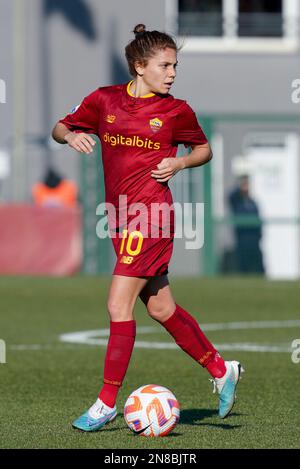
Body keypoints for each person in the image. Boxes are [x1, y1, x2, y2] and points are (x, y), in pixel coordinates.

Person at [52, 24, 244, 432]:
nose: (173, 72)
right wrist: (69, 136)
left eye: (175, 65)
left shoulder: (176, 111)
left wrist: (179, 162)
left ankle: (106, 404)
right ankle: (220, 368)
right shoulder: (103, 100)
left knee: (117, 306)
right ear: (139, 66)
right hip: (119, 219)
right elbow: (59, 127)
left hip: (152, 217)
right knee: (160, 307)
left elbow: (204, 149)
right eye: (165, 65)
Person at [229, 175, 264, 274]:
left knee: (258, 266)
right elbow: (230, 196)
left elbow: (258, 220)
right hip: (242, 238)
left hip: (254, 239)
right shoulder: (237, 202)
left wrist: (260, 235)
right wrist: (239, 185)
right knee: (243, 265)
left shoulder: (253, 203)